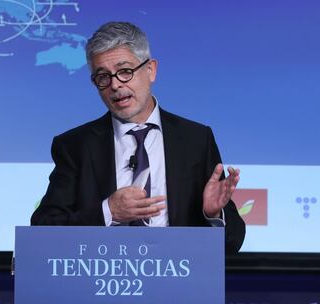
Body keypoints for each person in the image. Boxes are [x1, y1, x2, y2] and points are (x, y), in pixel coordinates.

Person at [31, 21, 245, 253]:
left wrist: (213, 214)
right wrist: (108, 211)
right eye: (102, 76)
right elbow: (44, 229)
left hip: (178, 279)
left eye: (125, 71)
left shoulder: (196, 140)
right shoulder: (75, 146)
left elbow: (232, 243)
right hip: (103, 279)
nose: (114, 85)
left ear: (151, 70)